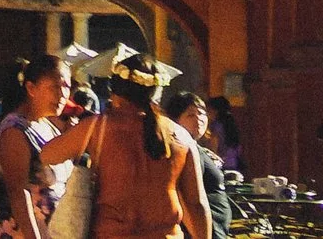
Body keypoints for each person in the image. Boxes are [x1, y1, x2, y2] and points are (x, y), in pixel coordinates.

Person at [79, 54, 209, 239]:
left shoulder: (97, 127)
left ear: (115, 94)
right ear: (156, 93)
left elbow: (47, 155)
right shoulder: (181, 136)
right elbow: (196, 204)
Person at [0, 54, 87, 239]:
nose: (62, 95)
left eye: (66, 86)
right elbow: (18, 192)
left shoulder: (48, 125)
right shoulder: (14, 131)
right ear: (31, 88)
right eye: (54, 87)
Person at [168, 91, 234, 239]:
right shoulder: (182, 149)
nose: (199, 119)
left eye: (202, 113)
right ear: (176, 120)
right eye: (190, 115)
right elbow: (186, 197)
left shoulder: (196, 148)